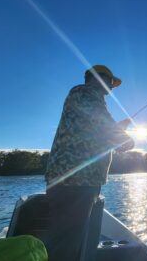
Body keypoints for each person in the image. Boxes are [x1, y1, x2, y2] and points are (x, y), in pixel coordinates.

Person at [44, 65, 134, 261]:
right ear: (100, 78)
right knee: (65, 244)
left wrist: (118, 132)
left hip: (79, 181)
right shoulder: (85, 92)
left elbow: (98, 132)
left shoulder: (87, 99)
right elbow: (105, 128)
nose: (111, 88)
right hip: (75, 181)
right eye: (111, 83)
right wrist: (127, 139)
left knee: (72, 241)